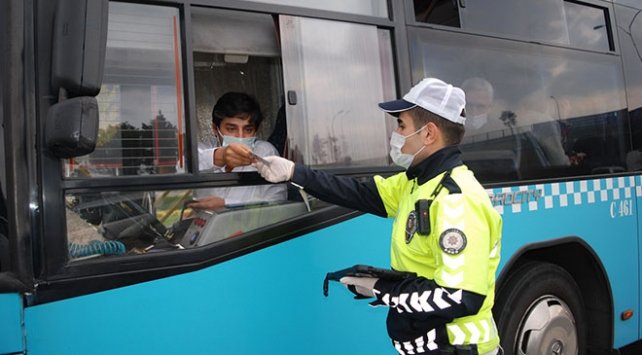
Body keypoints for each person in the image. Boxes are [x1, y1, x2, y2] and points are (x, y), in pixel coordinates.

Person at [252, 78, 503, 354]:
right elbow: (356, 192)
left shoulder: (456, 199)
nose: (395, 135)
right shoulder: (415, 183)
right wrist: (293, 173)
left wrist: (382, 289)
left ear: (429, 134)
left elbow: (459, 296)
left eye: (401, 125)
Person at [189, 92, 286, 210]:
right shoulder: (202, 149)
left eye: (248, 129)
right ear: (215, 129)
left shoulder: (266, 152)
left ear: (256, 131)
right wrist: (219, 156)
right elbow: (182, 166)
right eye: (231, 129)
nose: (240, 136)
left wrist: (227, 204)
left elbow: (277, 202)